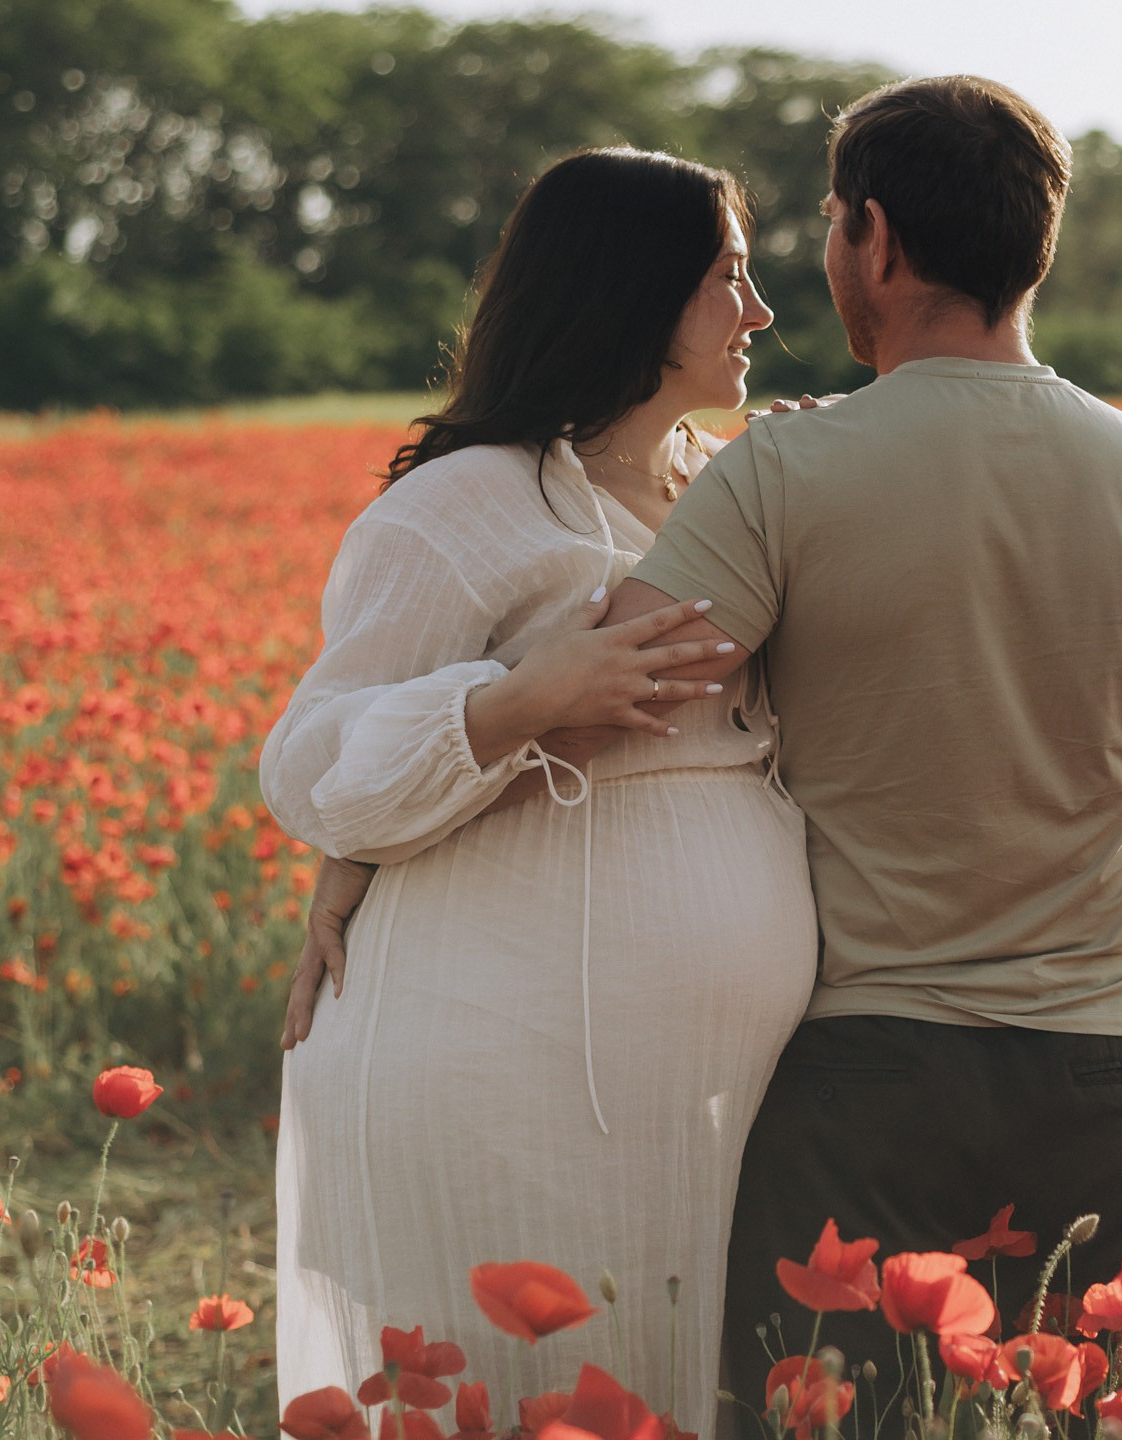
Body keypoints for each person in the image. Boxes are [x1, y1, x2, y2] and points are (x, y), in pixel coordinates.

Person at [600, 76, 1122, 1433]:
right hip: (1100, 1060)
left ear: (875, 235)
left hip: (860, 1068)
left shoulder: (780, 475)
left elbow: (614, 677)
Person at [261, 147, 819, 1435]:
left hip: (717, 1072)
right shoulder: (464, 509)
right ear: (636, 291)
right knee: (510, 1377)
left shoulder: (728, 484)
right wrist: (521, 696)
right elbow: (315, 758)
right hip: (499, 1052)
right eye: (732, 276)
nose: (764, 312)